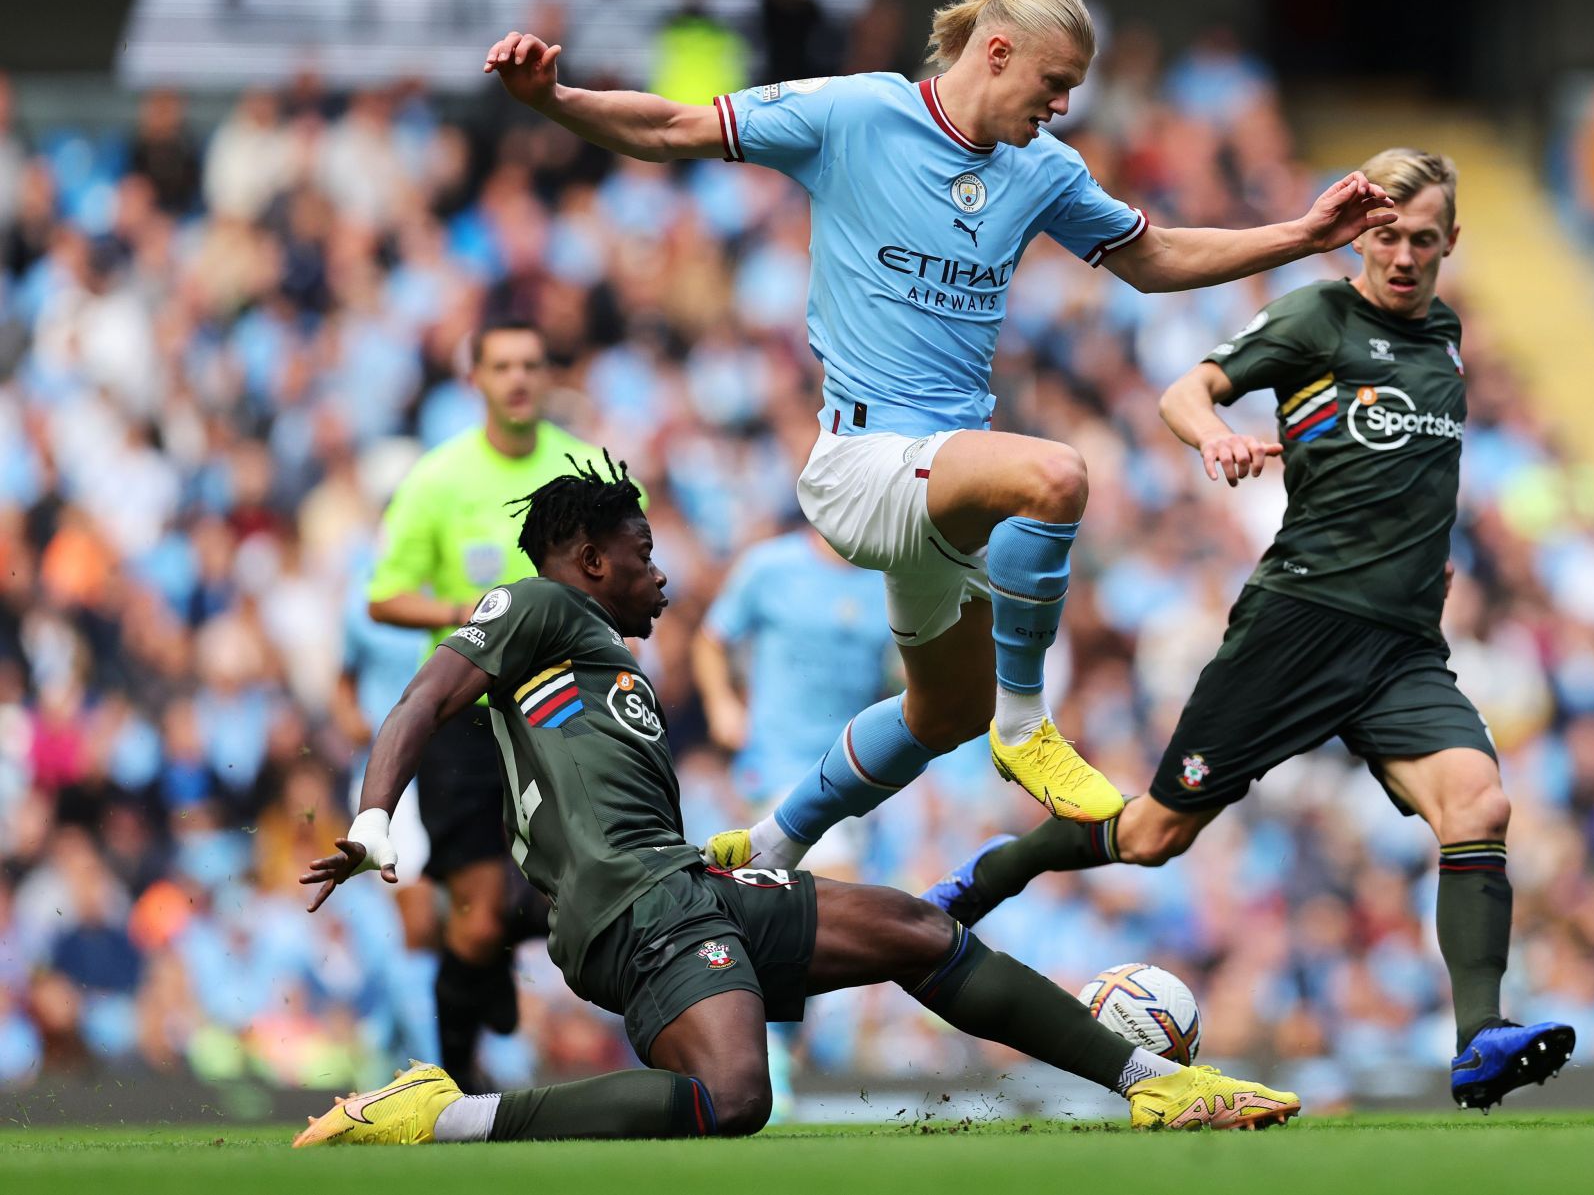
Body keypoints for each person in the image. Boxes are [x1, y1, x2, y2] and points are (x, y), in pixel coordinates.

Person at [481, 0, 1396, 871]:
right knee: (1057, 476)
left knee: (941, 712)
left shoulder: (1044, 169)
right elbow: (679, 125)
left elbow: (1151, 257)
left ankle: (771, 839)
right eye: (1053, 84)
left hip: (940, 487)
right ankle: (1028, 721)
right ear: (997, 51)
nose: (1063, 107)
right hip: (865, 462)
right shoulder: (855, 114)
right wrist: (556, 98)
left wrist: (1302, 237)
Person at [295, 456, 1301, 1145]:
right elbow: (427, 694)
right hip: (633, 905)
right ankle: (447, 1111)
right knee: (734, 1100)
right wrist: (377, 813)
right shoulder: (540, 604)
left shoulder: (593, 653)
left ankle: (1153, 1086)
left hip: (675, 887)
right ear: (591, 559)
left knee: (915, 927)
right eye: (643, 554)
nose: (664, 576)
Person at [923, 150, 1576, 1112]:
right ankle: (981, 881)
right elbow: (1185, 390)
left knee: (1477, 804)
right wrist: (1216, 435)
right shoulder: (1318, 317)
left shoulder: (1445, 336)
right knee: (1152, 835)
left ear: (1450, 243)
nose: (1401, 255)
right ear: (1362, 231)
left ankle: (1480, 1037)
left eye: (1422, 239)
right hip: (1297, 626)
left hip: (1401, 643)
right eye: (1385, 234)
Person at [364, 323, 612, 1089]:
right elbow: (383, 597)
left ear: (548, 376)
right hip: (466, 719)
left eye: (531, 364)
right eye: (501, 365)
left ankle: (504, 938)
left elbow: (630, 572)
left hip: (564, 710)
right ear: (474, 377)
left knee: (582, 889)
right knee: (473, 912)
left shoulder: (589, 469)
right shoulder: (439, 479)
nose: (517, 378)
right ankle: (456, 1078)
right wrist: (467, 607)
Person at [692, 524, 892, 835]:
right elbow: (711, 640)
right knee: (835, 874)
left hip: (856, 770)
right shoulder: (771, 566)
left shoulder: (891, 580)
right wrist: (721, 703)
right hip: (779, 765)